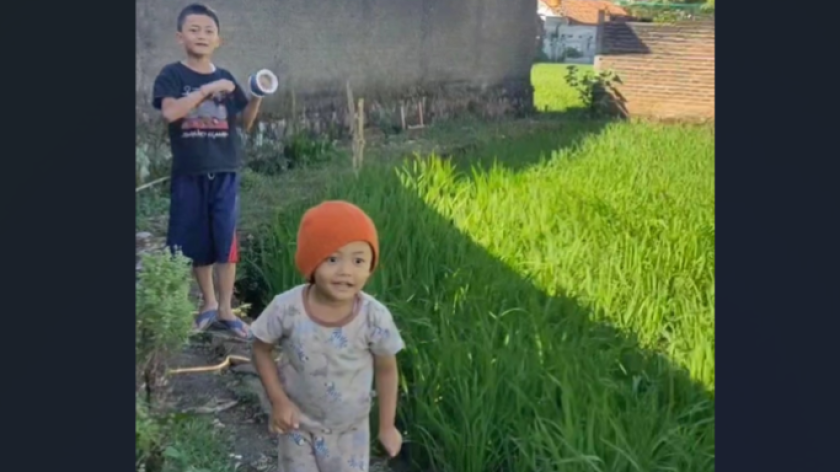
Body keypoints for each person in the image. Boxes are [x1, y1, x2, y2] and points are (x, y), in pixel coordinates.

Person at [250, 201, 405, 471]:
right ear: (311, 261)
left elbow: (387, 369)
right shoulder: (286, 308)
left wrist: (387, 426)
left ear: (370, 266)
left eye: (358, 260)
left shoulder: (374, 317)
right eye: (332, 259)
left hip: (351, 433)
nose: (346, 271)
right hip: (297, 426)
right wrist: (279, 401)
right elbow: (260, 349)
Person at [151, 4, 263, 338]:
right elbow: (170, 113)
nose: (201, 36)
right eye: (194, 29)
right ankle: (208, 304)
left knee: (225, 239)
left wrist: (257, 95)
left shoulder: (226, 77)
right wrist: (203, 92)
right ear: (180, 37)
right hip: (189, 172)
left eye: (208, 31)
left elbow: (245, 122)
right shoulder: (172, 75)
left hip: (225, 171)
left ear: (218, 40)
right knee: (197, 239)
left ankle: (227, 309)